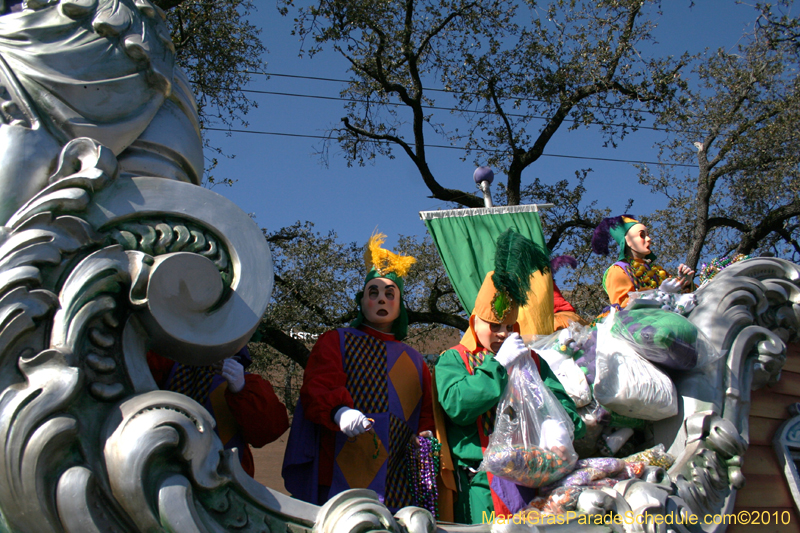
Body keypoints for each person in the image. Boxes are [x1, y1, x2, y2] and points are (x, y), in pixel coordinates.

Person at [435, 229, 585, 524]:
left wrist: (557, 426)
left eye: (508, 326)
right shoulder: (454, 359)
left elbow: (569, 414)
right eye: (494, 326)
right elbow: (458, 406)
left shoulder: (532, 361)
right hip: (481, 487)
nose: (502, 334)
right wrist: (497, 367)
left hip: (538, 480)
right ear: (474, 321)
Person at [282, 233, 435, 512]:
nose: (381, 299)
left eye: (390, 294)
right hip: (340, 470)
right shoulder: (335, 340)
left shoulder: (415, 360)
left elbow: (426, 413)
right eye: (373, 292)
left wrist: (424, 436)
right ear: (361, 301)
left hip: (398, 480)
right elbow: (318, 386)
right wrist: (338, 411)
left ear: (400, 306)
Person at [147, 346, 289, 478]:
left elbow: (269, 431)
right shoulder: (164, 363)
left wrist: (242, 388)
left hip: (223, 477)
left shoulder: (250, 384)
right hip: (164, 470)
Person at [591, 215, 695, 308]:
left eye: (648, 235)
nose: (649, 239)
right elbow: (623, 307)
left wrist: (685, 282)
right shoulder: (617, 271)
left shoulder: (657, 270)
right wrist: (661, 293)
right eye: (642, 235)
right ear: (627, 240)